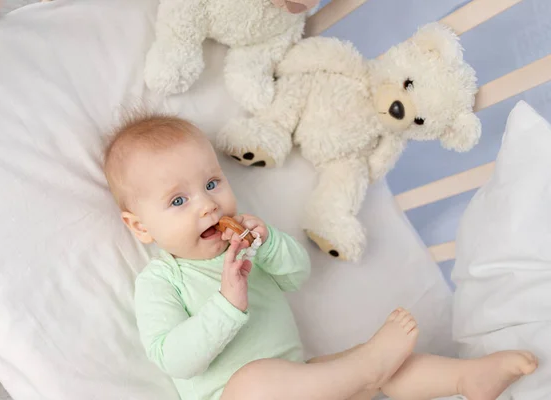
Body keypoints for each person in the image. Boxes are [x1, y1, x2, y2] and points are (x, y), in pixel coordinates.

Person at [103, 113, 538, 400]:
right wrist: (226, 306)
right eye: (178, 201)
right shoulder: (163, 280)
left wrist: (271, 244)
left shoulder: (247, 246)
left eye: (212, 183)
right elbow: (172, 357)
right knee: (256, 383)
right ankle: (369, 363)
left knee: (364, 369)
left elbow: (296, 275)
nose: (207, 205)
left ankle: (465, 378)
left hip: (305, 380)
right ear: (140, 227)